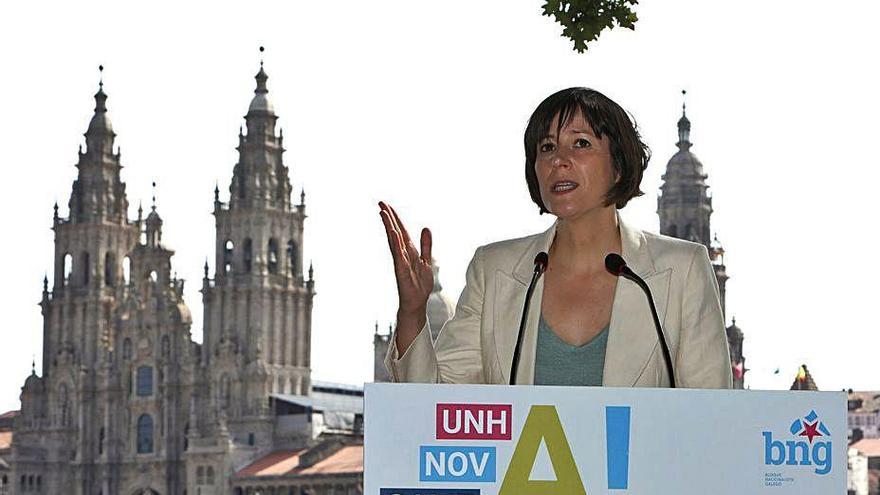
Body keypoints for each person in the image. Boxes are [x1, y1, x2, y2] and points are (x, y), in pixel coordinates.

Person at [378, 87, 732, 388]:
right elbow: (436, 408)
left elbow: (710, 418)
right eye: (546, 147)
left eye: (580, 143)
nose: (559, 160)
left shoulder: (682, 269)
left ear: (619, 165)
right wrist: (412, 311)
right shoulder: (494, 270)